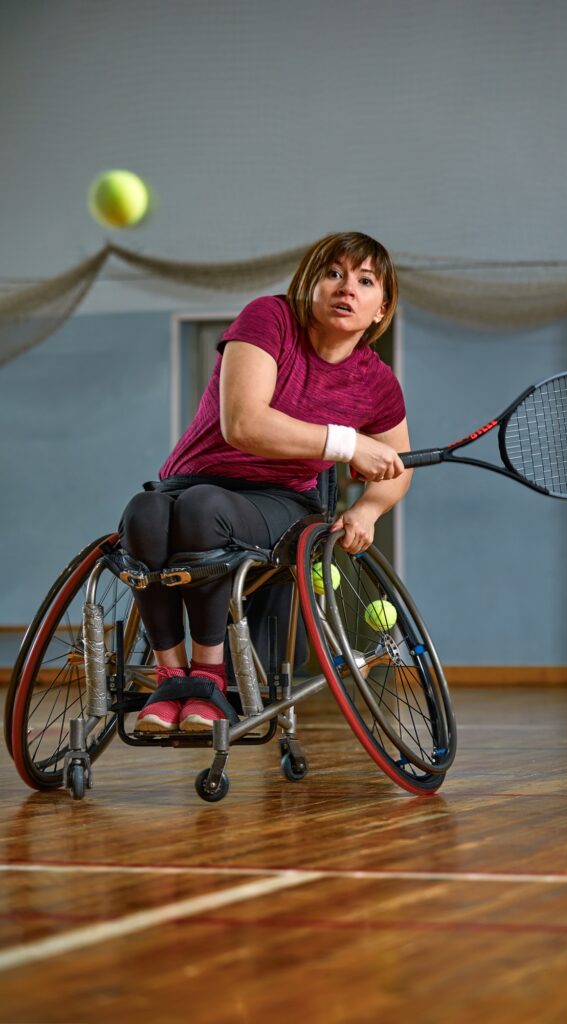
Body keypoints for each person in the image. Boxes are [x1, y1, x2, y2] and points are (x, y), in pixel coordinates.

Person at [119, 231, 412, 733]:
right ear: (309, 285)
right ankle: (172, 676)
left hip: (280, 501)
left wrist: (367, 509)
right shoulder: (268, 318)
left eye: (365, 281)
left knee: (201, 510)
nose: (347, 288)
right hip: (188, 481)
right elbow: (244, 424)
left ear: (381, 307)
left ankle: (208, 679)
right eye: (334, 274)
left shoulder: (376, 381)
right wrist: (350, 445)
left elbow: (397, 466)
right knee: (142, 512)